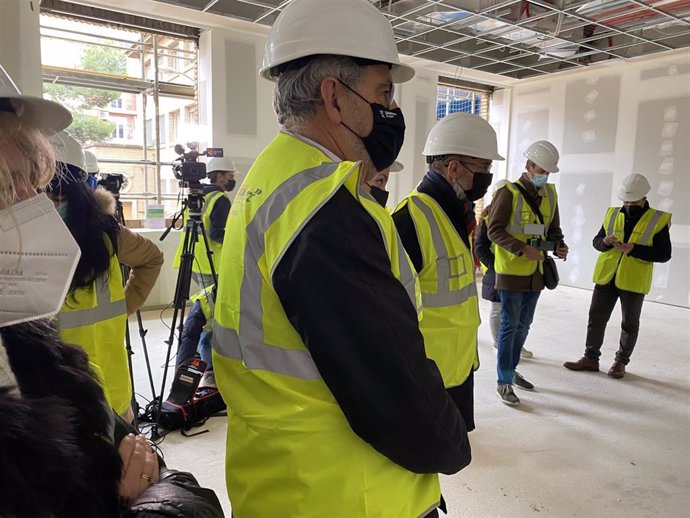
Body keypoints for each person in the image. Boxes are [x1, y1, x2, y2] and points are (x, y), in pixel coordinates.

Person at [211, 0, 470, 516]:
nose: (390, 113)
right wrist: (449, 442)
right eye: (382, 94)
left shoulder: (270, 176)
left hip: (283, 476)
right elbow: (388, 384)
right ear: (334, 96)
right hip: (350, 491)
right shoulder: (326, 208)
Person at [0, 65, 222, 518]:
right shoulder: (106, 233)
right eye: (6, 185)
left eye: (29, 183)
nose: (27, 207)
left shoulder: (26, 343)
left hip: (101, 387)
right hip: (112, 379)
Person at [393, 112, 504, 431]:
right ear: (454, 168)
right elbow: (391, 306)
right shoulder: (412, 218)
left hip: (456, 365)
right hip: (426, 372)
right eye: (483, 168)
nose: (487, 176)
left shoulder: (457, 213)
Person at [48, 131, 164, 418]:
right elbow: (152, 258)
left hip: (66, 393)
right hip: (95, 388)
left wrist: (123, 305)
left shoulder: (106, 232)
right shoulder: (108, 230)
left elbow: (151, 258)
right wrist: (124, 305)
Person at [564, 173, 672, 378]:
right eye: (626, 200)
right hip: (607, 276)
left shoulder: (658, 219)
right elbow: (596, 242)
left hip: (633, 280)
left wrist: (634, 249)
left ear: (644, 198)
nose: (629, 204)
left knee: (629, 324)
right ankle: (590, 358)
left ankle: (620, 362)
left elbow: (664, 254)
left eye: (633, 201)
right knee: (596, 318)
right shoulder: (612, 214)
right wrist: (604, 242)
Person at [489, 140, 569, 406]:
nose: (543, 175)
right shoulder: (508, 192)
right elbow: (494, 231)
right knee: (510, 326)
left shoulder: (551, 195)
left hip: (536, 273)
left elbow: (553, 229)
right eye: (541, 169)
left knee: (524, 325)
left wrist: (558, 245)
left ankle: (511, 371)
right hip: (512, 271)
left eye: (548, 171)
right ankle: (503, 381)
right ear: (528, 166)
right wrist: (523, 249)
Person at [475, 179, 537, 358]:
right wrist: (495, 265)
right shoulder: (487, 219)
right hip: (496, 272)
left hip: (515, 270)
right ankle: (499, 343)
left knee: (516, 312)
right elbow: (480, 247)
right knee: (498, 309)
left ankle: (514, 344)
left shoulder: (516, 217)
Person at [173, 156, 236, 289]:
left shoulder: (197, 195)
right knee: (212, 304)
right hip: (209, 261)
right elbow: (216, 234)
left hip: (191, 256)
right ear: (220, 176)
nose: (232, 180)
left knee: (204, 300)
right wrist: (237, 243)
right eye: (230, 176)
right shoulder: (220, 199)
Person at [175, 283, 217, 387]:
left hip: (233, 336)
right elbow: (189, 337)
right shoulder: (204, 302)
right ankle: (210, 373)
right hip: (211, 338)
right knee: (207, 341)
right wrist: (181, 376)